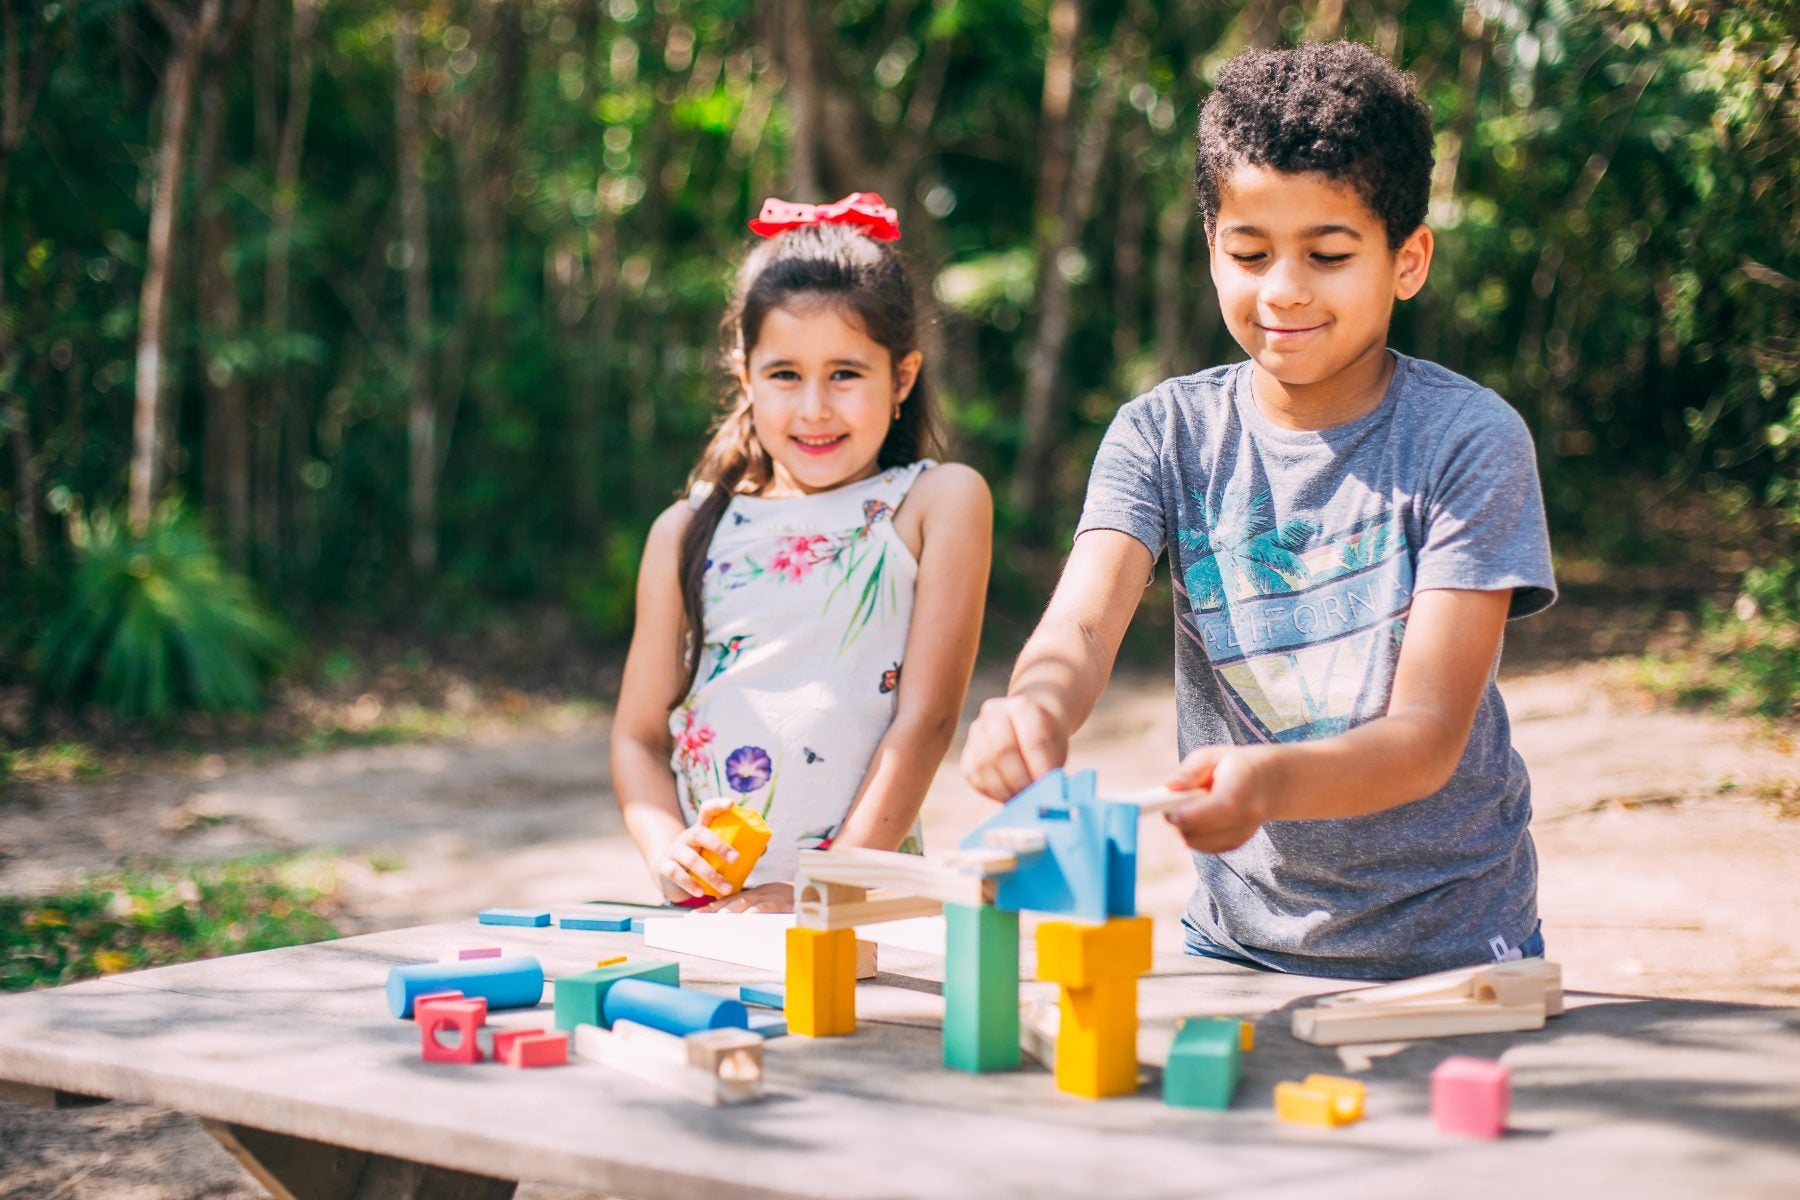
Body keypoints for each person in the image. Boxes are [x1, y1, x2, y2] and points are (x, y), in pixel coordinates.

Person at [961, 42, 1556, 980]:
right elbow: (1081, 619)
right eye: (1248, 252)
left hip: (1452, 944)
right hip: (1235, 940)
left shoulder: (1468, 441)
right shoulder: (1162, 434)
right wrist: (1033, 706)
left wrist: (1270, 784)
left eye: (1327, 254)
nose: (1282, 288)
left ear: (1409, 261)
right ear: (1211, 250)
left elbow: (1427, 738)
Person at [613, 193, 992, 914]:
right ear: (745, 374)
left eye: (845, 373)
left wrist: (823, 892)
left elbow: (927, 721)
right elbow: (636, 738)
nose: (814, 406)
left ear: (902, 378)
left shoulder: (936, 504)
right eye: (785, 374)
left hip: (864, 909)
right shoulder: (686, 532)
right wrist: (667, 848)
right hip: (714, 917)